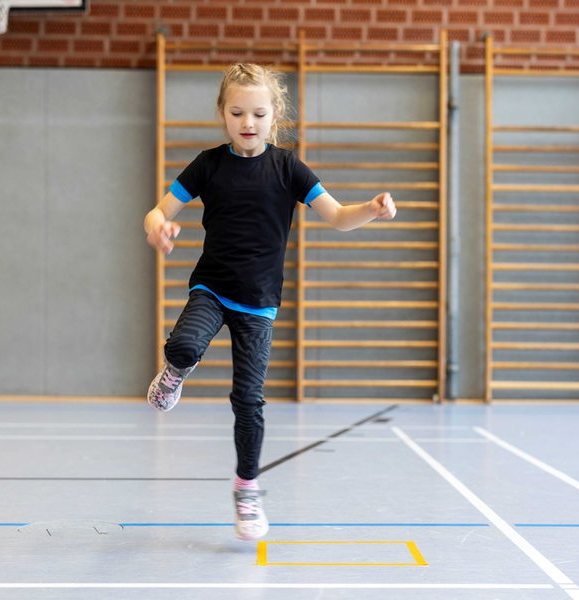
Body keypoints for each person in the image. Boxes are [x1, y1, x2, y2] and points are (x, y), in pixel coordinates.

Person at [143, 63, 396, 541]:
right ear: (222, 112)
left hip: (258, 305)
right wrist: (158, 227)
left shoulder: (288, 168)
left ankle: (247, 488)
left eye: (258, 113)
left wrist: (372, 209)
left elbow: (339, 216)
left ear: (273, 114)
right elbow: (158, 209)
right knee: (183, 347)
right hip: (213, 289)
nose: (248, 122)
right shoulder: (208, 164)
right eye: (237, 112)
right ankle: (173, 374)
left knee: (248, 401)